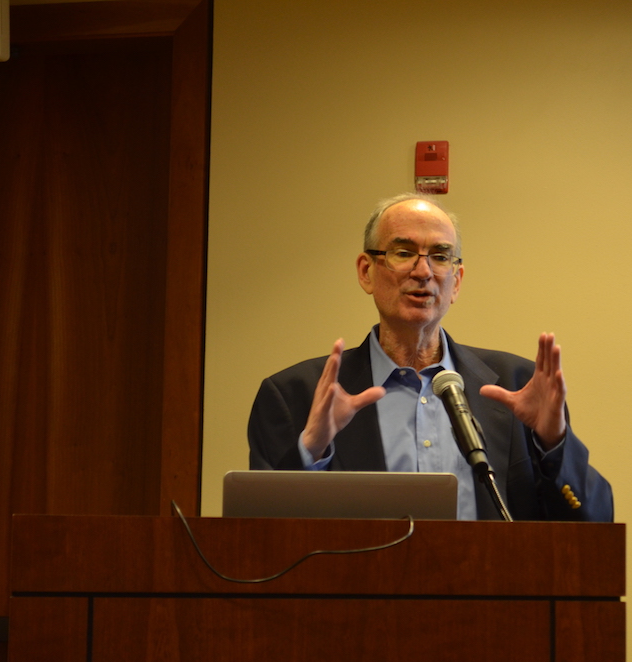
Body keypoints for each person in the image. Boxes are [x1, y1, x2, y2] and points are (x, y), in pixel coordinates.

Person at [248, 193, 613, 522]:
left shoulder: (518, 384)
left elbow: (596, 521)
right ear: (366, 272)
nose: (423, 272)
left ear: (456, 281)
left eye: (440, 257)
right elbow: (257, 538)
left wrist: (554, 442)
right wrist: (311, 452)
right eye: (403, 252)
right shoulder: (294, 396)